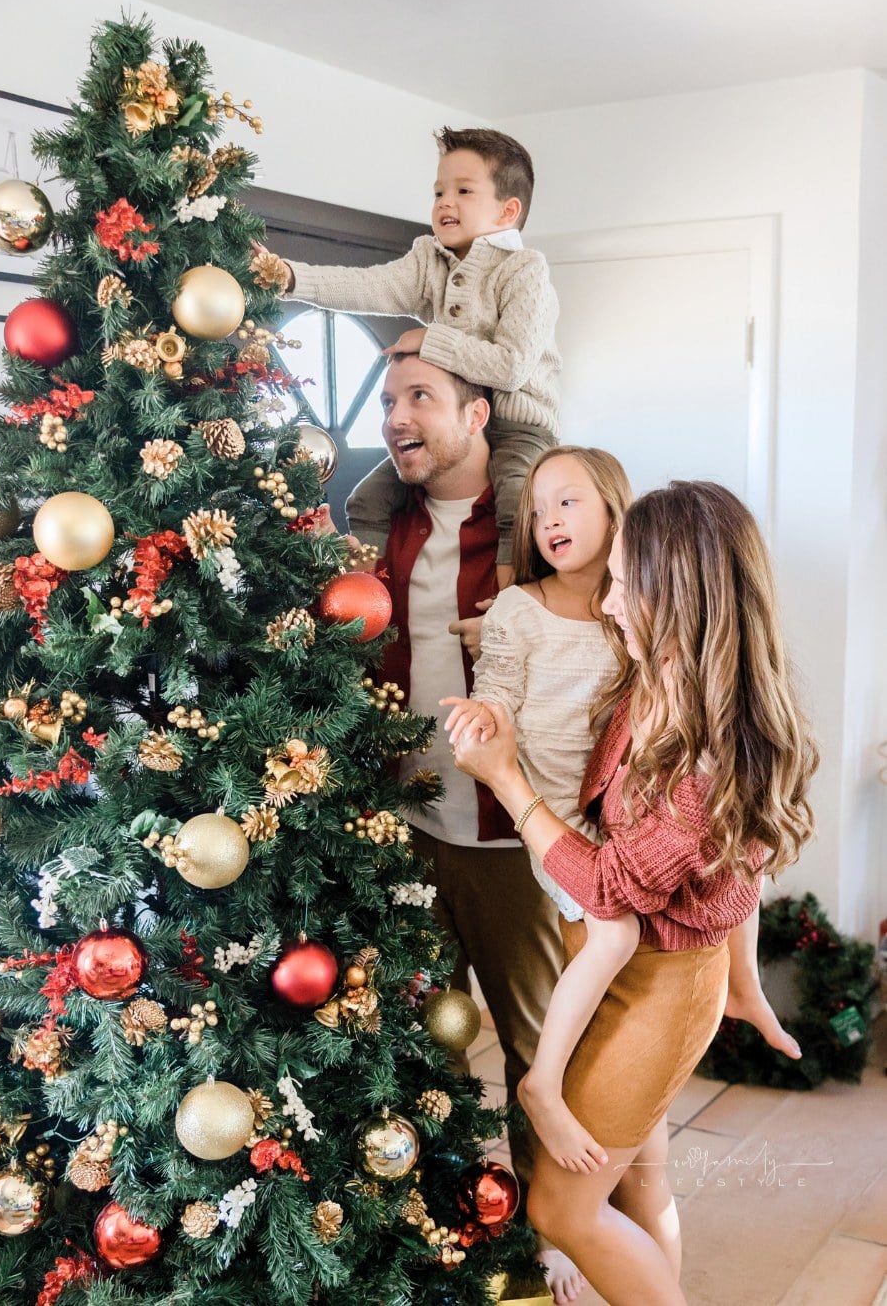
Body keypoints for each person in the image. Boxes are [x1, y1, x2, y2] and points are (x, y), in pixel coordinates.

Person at [449, 481, 818, 1305]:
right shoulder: (656, 678)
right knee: (638, 1188)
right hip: (624, 974)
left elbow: (611, 885)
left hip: (655, 992)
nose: (608, 604)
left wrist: (507, 782)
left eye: (623, 585)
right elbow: (729, 878)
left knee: (560, 1208)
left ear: (678, 597)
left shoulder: (713, 754)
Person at [369, 352, 583, 1303]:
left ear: (478, 414)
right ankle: (453, 1228)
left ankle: (564, 1237)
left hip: (513, 839)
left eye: (419, 397)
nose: (396, 417)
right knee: (429, 1044)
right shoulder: (385, 524)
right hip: (407, 830)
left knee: (544, 1052)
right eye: (386, 401)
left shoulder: (537, 529)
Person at [251, 125, 561, 583]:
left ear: (507, 211)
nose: (444, 202)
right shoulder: (429, 261)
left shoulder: (523, 271)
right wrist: (293, 278)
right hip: (450, 425)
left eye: (463, 191)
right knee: (367, 499)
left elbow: (511, 367)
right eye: (438, 191)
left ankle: (507, 606)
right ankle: (373, 593)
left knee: (516, 504)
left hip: (518, 423)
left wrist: (428, 338)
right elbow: (366, 285)